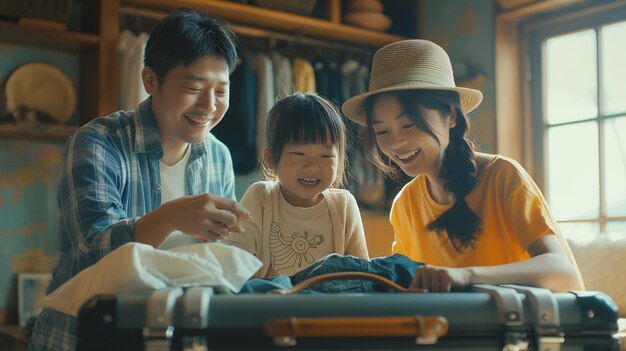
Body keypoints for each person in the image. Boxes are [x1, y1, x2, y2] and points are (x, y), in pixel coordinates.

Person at [29, 8, 250, 350]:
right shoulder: (97, 142)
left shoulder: (218, 155)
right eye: (193, 87)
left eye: (221, 91)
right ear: (150, 81)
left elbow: (211, 264)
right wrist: (171, 217)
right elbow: (93, 250)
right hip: (84, 340)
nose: (209, 105)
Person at [341, 39, 584, 293]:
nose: (396, 143)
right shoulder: (405, 204)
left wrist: (466, 276)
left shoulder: (502, 176)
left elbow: (561, 272)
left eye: (409, 124)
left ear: (451, 116)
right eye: (381, 131)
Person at [223, 92, 369, 278]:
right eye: (299, 154)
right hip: (272, 304)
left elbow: (362, 273)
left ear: (340, 160)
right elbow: (236, 264)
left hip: (329, 305)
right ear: (270, 159)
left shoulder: (344, 204)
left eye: (326, 156)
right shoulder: (260, 197)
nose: (313, 166)